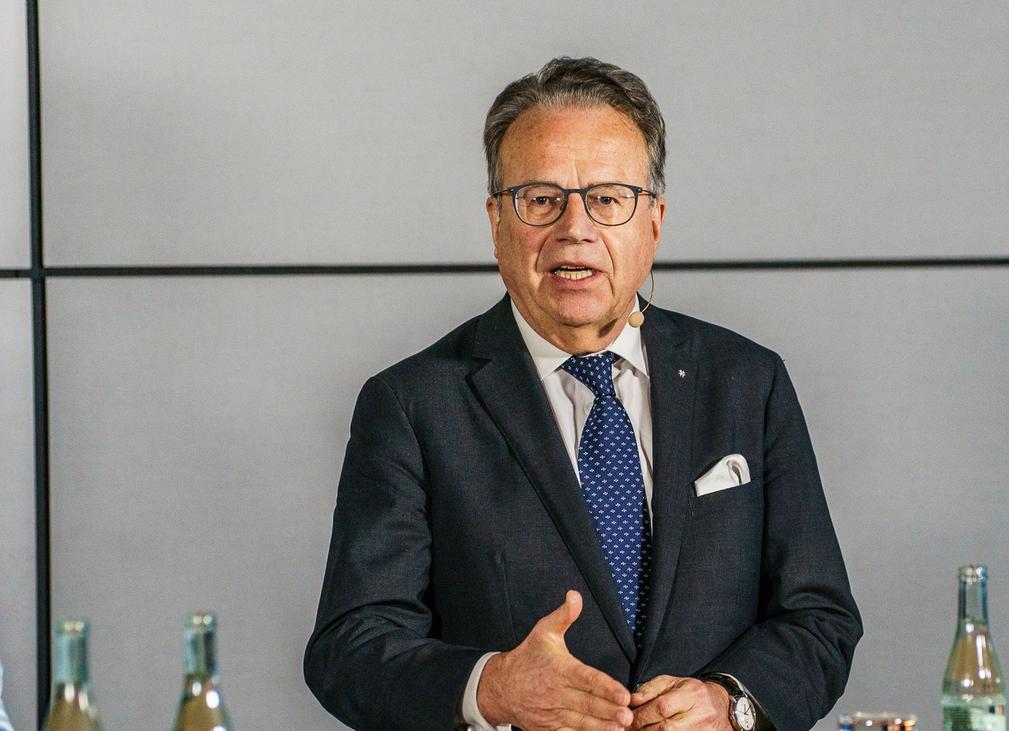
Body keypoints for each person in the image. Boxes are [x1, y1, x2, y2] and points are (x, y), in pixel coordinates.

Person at [305, 57, 861, 731]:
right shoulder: (413, 405)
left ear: (653, 221)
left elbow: (819, 616)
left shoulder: (748, 381)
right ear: (496, 222)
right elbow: (351, 647)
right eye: (542, 199)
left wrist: (731, 702)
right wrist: (491, 687)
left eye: (608, 198)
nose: (575, 228)